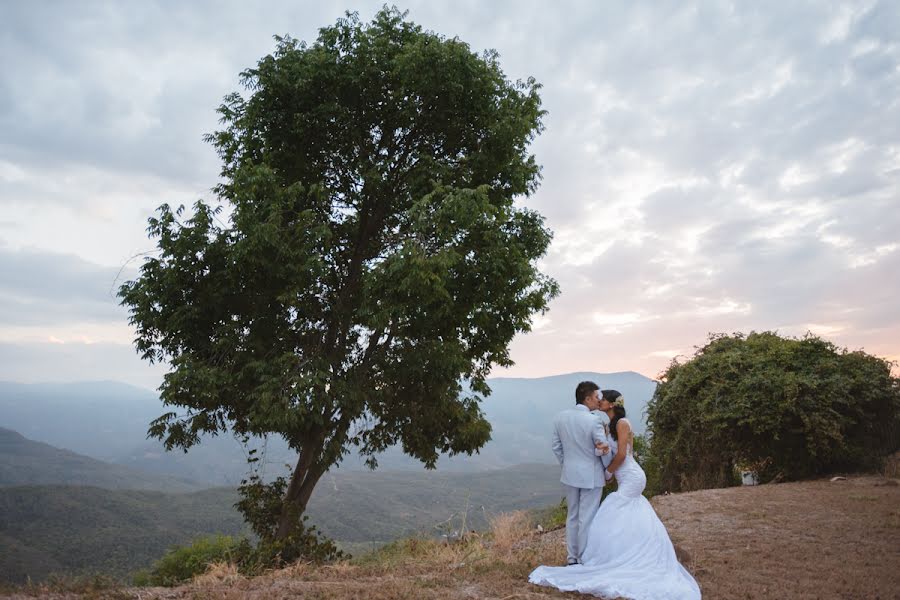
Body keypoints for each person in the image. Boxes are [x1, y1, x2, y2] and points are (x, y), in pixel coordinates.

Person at [530, 389, 701, 599]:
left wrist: (608, 471)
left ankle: (620, 557)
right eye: (597, 399)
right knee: (624, 514)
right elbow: (610, 451)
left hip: (631, 476)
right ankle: (625, 552)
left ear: (611, 404)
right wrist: (601, 451)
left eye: (602, 400)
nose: (599, 402)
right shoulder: (608, 425)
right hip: (622, 475)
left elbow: (622, 454)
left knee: (613, 510)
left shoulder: (622, 424)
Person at [551, 380, 610, 566]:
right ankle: (584, 557)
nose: (598, 400)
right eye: (596, 397)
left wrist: (566, 464)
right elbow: (603, 448)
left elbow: (556, 447)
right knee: (587, 517)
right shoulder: (595, 421)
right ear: (587, 398)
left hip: (569, 474)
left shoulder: (560, 417)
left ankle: (571, 558)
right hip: (591, 475)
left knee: (573, 516)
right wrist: (608, 472)